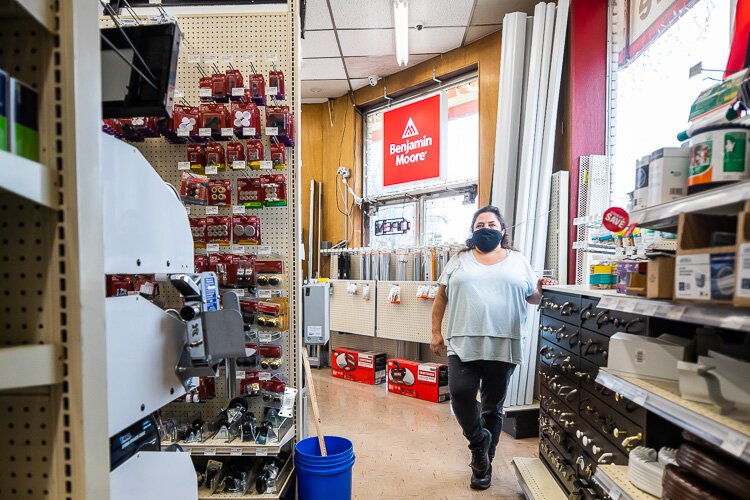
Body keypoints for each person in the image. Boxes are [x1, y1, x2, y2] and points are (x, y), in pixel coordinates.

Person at [431, 205, 554, 490]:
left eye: (491, 224)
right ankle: (479, 441)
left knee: (492, 406)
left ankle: (482, 462)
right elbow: (441, 298)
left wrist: (541, 287)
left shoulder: (518, 260)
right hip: (462, 342)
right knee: (460, 395)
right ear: (472, 231)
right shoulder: (458, 260)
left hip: (503, 343)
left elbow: (532, 298)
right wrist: (436, 332)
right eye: (479, 225)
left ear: (502, 230)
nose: (485, 228)